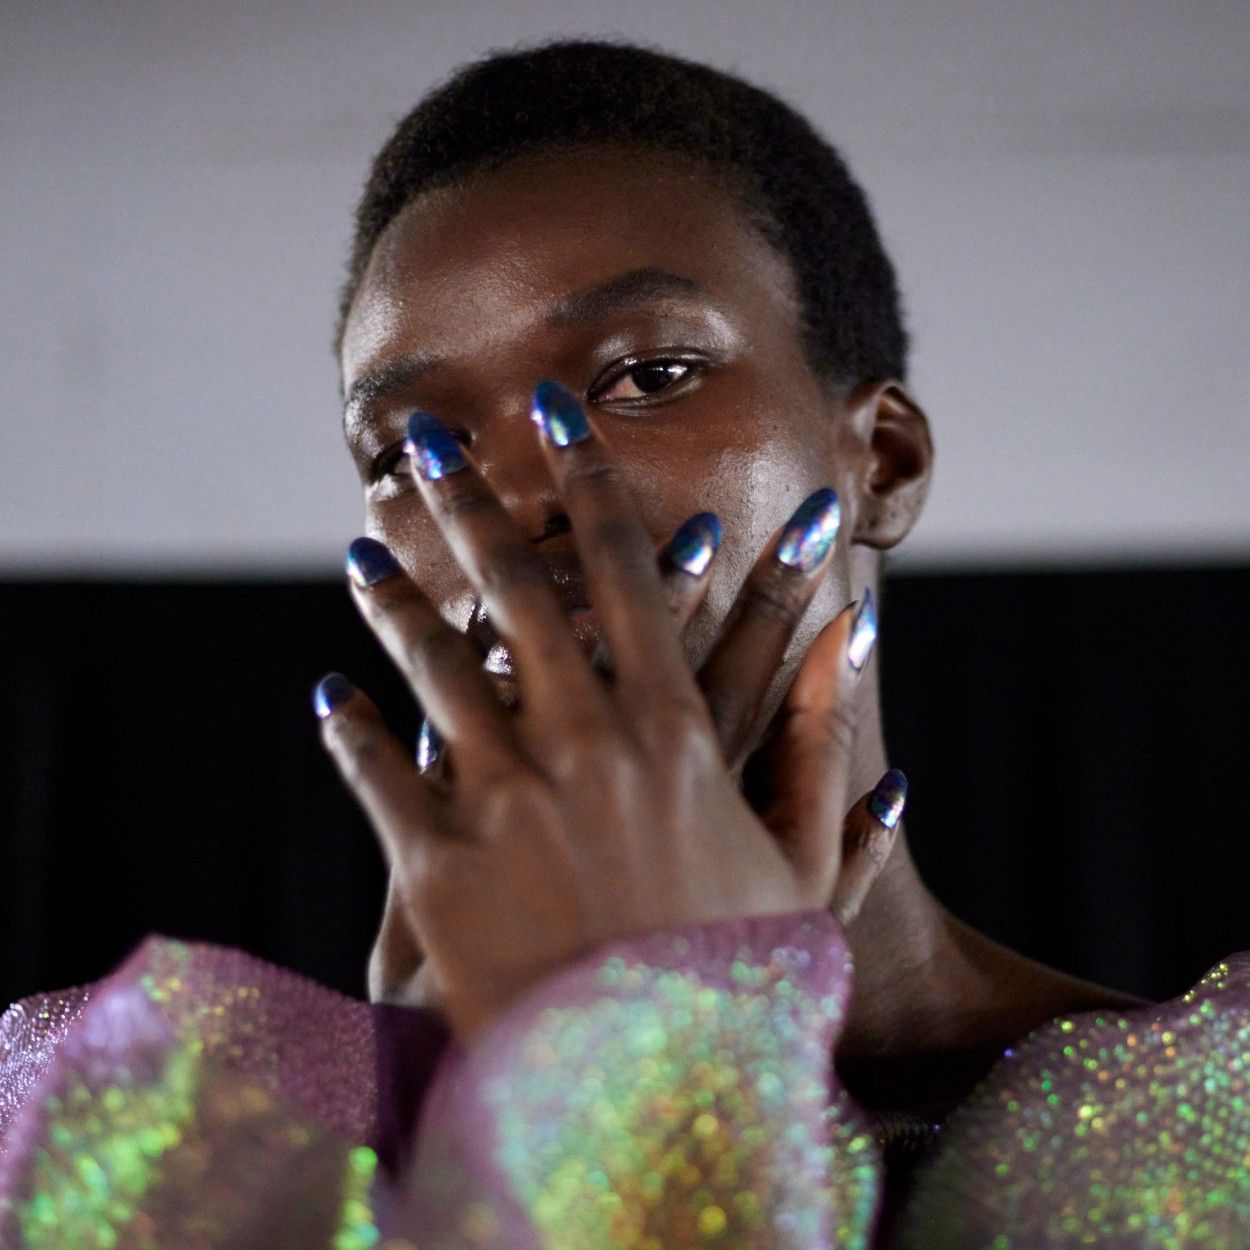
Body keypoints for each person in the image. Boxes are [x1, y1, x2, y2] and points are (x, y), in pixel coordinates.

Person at [1, 39, 1247, 1249]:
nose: (524, 498)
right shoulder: (179, 1137)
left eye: (646, 373)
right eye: (404, 453)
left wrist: (648, 1061)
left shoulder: (1211, 1127)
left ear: (882, 461)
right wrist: (428, 1124)